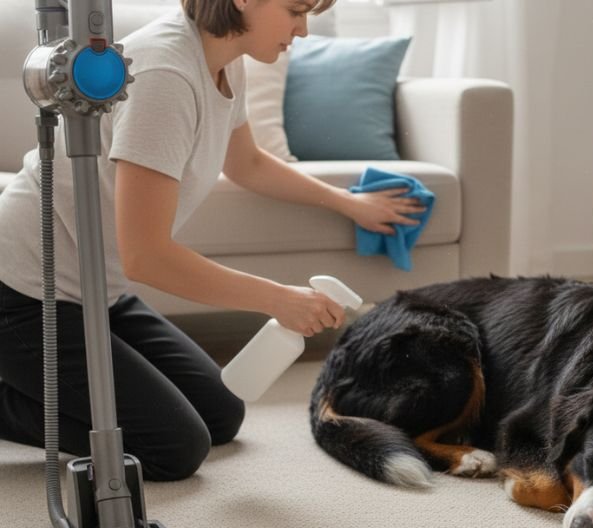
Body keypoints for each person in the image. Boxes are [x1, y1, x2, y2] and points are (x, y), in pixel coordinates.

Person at [0, 0, 425, 481]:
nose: (304, 30)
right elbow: (147, 256)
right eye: (295, 11)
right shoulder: (164, 74)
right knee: (174, 448)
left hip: (98, 293)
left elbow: (248, 164)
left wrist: (351, 202)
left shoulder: (222, 60)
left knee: (221, 413)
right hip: (24, 295)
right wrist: (277, 299)